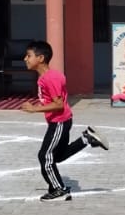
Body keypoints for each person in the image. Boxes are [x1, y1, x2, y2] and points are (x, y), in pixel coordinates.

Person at [19, 40, 108, 201]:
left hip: (59, 122)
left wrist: (34, 109)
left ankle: (59, 190)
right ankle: (87, 138)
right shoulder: (47, 77)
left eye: (29, 55)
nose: (25, 59)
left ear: (41, 58)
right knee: (56, 156)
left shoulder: (49, 78)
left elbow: (58, 104)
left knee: (45, 156)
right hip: (61, 121)